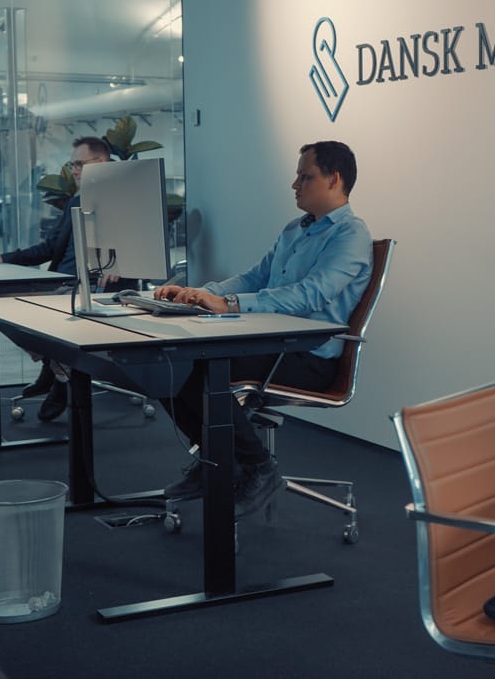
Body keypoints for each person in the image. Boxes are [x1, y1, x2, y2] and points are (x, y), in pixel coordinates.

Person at [154, 140, 372, 519]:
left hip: (309, 356)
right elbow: (255, 277)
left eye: (305, 177)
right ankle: (216, 460)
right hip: (271, 344)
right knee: (167, 367)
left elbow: (310, 295)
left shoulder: (351, 235)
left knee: (206, 371)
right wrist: (200, 294)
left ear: (334, 180)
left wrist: (231, 305)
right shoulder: (295, 230)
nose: (295, 184)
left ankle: (258, 467)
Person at [0, 135, 113, 422]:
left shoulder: (123, 201)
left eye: (79, 164)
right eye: (72, 164)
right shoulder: (76, 201)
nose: (73, 170)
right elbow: (49, 248)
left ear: (101, 163)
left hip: (90, 287)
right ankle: (56, 367)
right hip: (59, 282)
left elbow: (142, 246)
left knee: (29, 312)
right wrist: (4, 258)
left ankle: (59, 377)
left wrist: (126, 264)